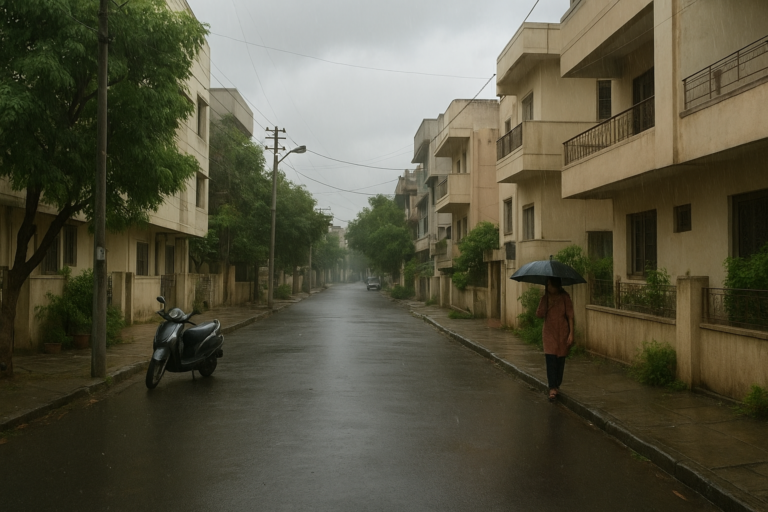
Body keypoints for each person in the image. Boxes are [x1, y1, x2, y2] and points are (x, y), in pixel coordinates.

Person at [536, 277, 574, 401]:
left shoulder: (565, 297)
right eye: (547, 285)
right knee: (550, 359)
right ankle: (552, 387)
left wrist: (571, 333)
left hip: (562, 332)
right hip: (549, 332)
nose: (548, 287)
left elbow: (570, 316)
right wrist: (544, 305)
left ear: (556, 285)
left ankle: (557, 383)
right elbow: (539, 314)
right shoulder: (545, 298)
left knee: (560, 359)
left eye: (550, 285)